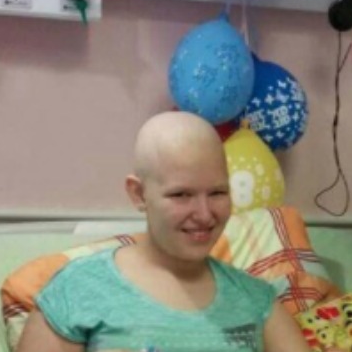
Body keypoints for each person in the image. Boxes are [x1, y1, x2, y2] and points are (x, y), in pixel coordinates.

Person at [16, 111, 311, 352]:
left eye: (218, 193)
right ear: (139, 194)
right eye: (181, 195)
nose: (205, 214)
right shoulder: (77, 291)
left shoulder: (255, 300)